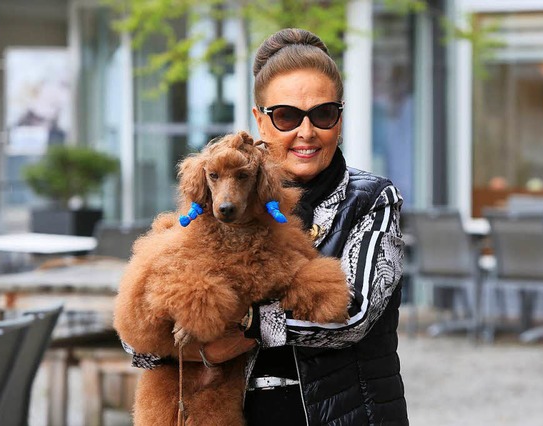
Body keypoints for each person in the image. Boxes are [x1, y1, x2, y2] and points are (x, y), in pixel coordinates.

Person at [125, 28, 407, 425]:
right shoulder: (214, 201)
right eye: (288, 115)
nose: (306, 132)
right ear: (261, 120)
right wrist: (200, 349)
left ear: (339, 119)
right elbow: (138, 342)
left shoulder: (373, 199)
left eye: (323, 113)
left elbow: (354, 316)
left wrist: (245, 323)